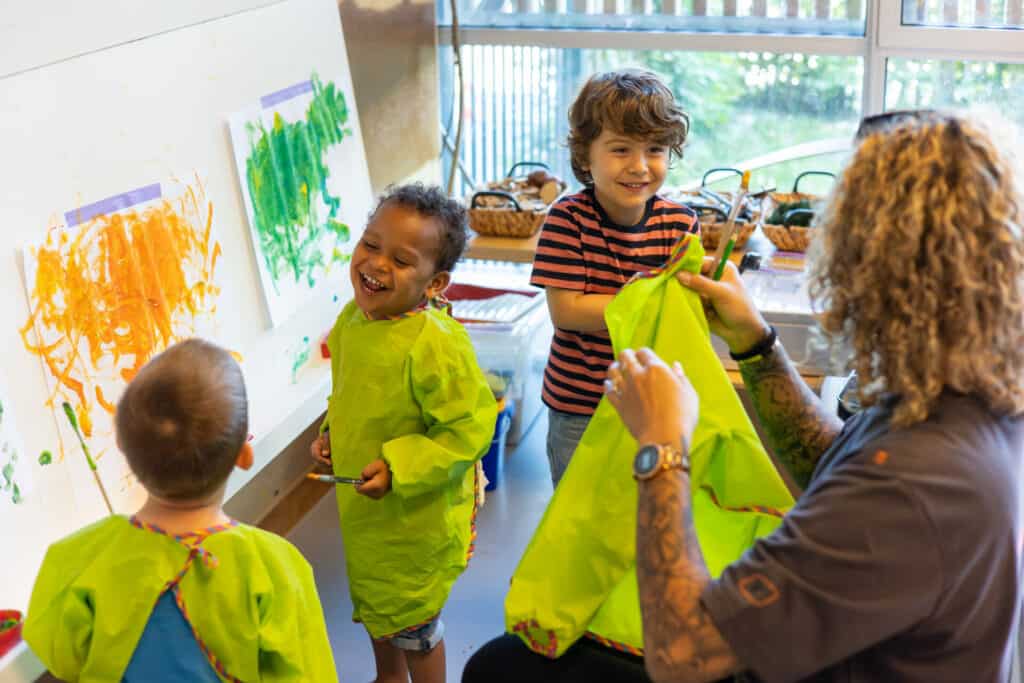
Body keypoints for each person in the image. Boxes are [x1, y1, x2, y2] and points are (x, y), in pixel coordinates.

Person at [602, 110, 1024, 682]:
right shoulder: (964, 391)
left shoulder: (910, 484)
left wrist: (662, 447)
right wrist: (756, 345)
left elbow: (682, 654)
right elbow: (835, 464)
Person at [24, 339, 337, 682]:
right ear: (243, 455)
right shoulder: (276, 568)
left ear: (122, 448)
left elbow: (62, 658)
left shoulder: (77, 558)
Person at [310, 183, 497, 683]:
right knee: (375, 596)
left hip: (415, 518)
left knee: (413, 619)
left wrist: (398, 467)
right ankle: (388, 677)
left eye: (400, 259)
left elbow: (468, 429)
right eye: (371, 244)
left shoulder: (435, 343)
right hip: (366, 513)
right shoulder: (354, 318)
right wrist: (331, 434)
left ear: (435, 284)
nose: (375, 264)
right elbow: (352, 393)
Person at [530, 68, 699, 485]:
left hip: (654, 402)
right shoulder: (567, 219)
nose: (639, 167)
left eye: (655, 149)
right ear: (585, 156)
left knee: (646, 504)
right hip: (579, 406)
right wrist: (651, 296)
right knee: (578, 511)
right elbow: (567, 312)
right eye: (621, 149)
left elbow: (683, 311)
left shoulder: (681, 223)